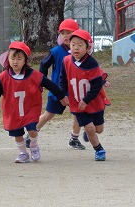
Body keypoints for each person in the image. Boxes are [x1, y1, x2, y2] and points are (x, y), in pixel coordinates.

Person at [0, 41, 67, 163]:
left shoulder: (34, 75)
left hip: (30, 109)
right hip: (13, 111)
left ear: (25, 61)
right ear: (8, 59)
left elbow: (50, 84)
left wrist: (61, 96)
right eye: (12, 58)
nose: (15, 61)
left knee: (32, 129)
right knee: (17, 134)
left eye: (19, 58)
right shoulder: (3, 77)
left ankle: (33, 145)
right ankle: (23, 153)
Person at [59, 29, 111, 161]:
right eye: (73, 44)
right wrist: (63, 95)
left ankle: (90, 133)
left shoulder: (91, 63)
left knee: (98, 129)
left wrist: (87, 100)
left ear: (87, 47)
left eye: (80, 45)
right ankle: (99, 149)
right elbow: (63, 80)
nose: (76, 48)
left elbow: (96, 85)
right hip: (77, 104)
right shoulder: (66, 61)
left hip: (94, 101)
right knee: (89, 128)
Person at [34, 19, 86, 150]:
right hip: (58, 90)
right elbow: (43, 65)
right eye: (62, 33)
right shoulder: (56, 51)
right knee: (48, 115)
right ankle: (31, 135)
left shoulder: (81, 51)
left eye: (69, 32)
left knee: (78, 114)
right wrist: (43, 81)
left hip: (74, 90)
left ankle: (74, 139)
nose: (65, 35)